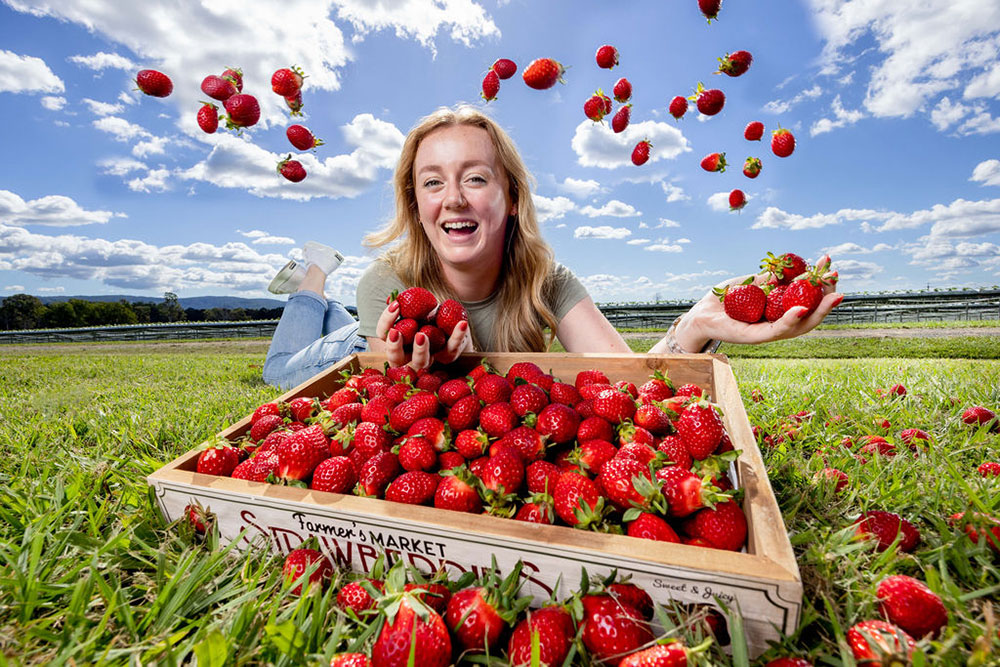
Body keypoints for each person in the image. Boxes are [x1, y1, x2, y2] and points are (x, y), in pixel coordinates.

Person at [262, 105, 841, 390]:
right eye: (433, 182)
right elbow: (381, 402)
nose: (455, 198)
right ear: (416, 206)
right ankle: (313, 278)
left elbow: (625, 378)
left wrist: (693, 326)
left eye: (476, 178)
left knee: (334, 323)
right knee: (279, 370)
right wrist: (408, 375)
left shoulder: (548, 283)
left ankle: (326, 303)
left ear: (510, 197)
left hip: (369, 316)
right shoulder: (385, 286)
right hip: (348, 345)